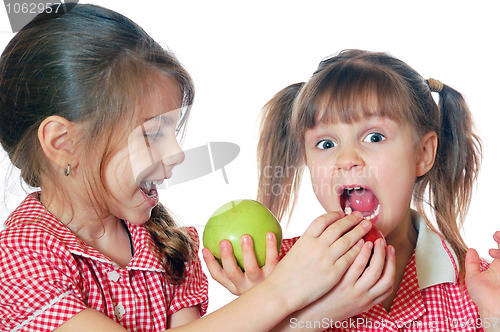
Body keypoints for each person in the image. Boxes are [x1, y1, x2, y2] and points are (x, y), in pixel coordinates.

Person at [0, 6, 394, 332]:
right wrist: (286, 290)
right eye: (153, 133)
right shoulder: (18, 259)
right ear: (62, 144)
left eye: (173, 130)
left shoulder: (164, 245)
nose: (176, 153)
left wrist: (316, 316)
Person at [208, 49, 500, 331]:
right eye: (326, 144)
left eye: (374, 137)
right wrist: (266, 306)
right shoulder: (275, 275)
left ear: (423, 153)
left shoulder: (478, 286)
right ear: (306, 160)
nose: (346, 159)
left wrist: (493, 318)